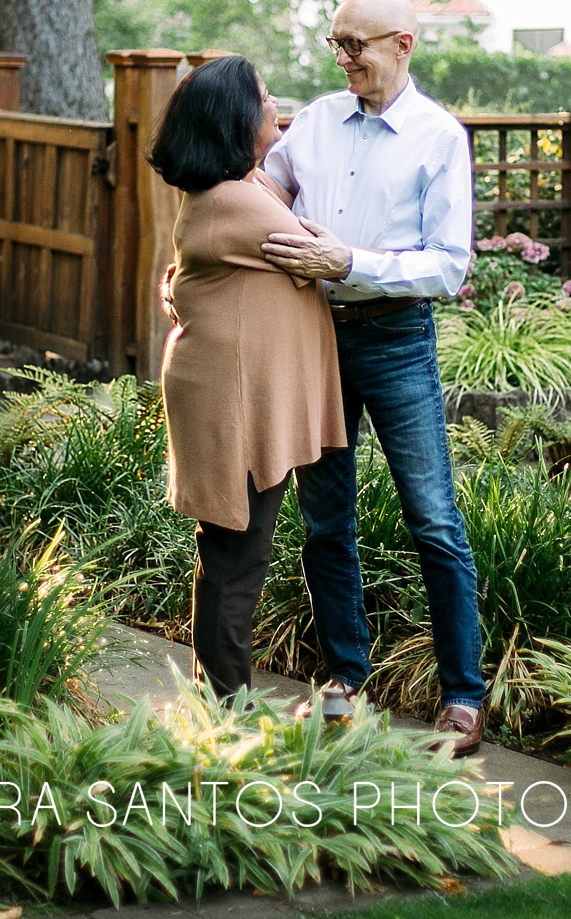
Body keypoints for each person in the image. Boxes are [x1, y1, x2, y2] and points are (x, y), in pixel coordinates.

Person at [258, 0, 487, 755]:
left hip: (395, 341)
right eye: (337, 43)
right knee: (326, 519)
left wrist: (347, 260)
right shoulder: (318, 119)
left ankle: (461, 695)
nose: (346, 57)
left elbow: (448, 266)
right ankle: (344, 678)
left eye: (359, 43)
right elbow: (265, 188)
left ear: (404, 45)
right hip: (315, 336)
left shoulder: (438, 136)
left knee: (434, 520)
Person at [151, 54, 348, 700]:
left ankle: (217, 702)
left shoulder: (241, 186)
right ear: (234, 118)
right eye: (262, 99)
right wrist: (326, 248)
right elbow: (314, 256)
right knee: (238, 559)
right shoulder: (236, 201)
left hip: (234, 395)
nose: (273, 106)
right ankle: (222, 713)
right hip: (229, 404)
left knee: (232, 553)